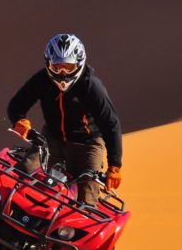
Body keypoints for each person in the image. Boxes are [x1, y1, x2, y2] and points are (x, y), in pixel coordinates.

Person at [7, 33, 122, 206]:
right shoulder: (43, 79)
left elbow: (111, 124)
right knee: (23, 173)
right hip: (51, 139)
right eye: (57, 66)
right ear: (48, 64)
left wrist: (115, 165)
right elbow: (16, 104)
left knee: (87, 200)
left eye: (68, 67)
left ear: (79, 63)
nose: (62, 73)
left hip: (87, 145)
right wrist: (19, 120)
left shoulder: (91, 86)